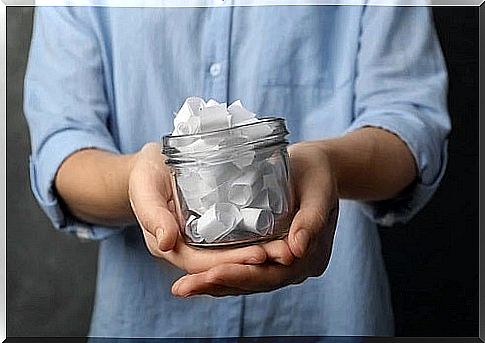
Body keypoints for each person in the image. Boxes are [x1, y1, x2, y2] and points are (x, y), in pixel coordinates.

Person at [23, 4, 450, 338]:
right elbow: (63, 148)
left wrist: (324, 164)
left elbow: (411, 126)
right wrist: (137, 175)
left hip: (333, 314)